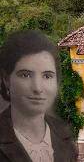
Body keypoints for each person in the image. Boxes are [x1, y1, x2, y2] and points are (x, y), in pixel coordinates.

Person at [0, 30, 78, 162]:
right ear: (6, 79)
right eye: (25, 75)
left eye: (47, 76)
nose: (37, 88)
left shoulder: (66, 136)